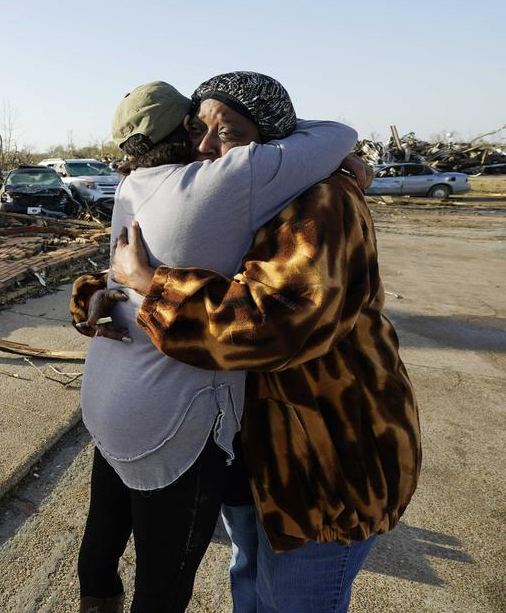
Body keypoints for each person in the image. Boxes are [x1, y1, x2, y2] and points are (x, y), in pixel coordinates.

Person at [73, 72, 421, 613]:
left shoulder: (323, 200)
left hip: (322, 456)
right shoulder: (227, 185)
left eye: (228, 134)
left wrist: (150, 287)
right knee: (251, 585)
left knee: (293, 600)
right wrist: (103, 296)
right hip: (254, 451)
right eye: (197, 129)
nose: (207, 148)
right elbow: (194, 259)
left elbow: (274, 327)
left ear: (272, 138)